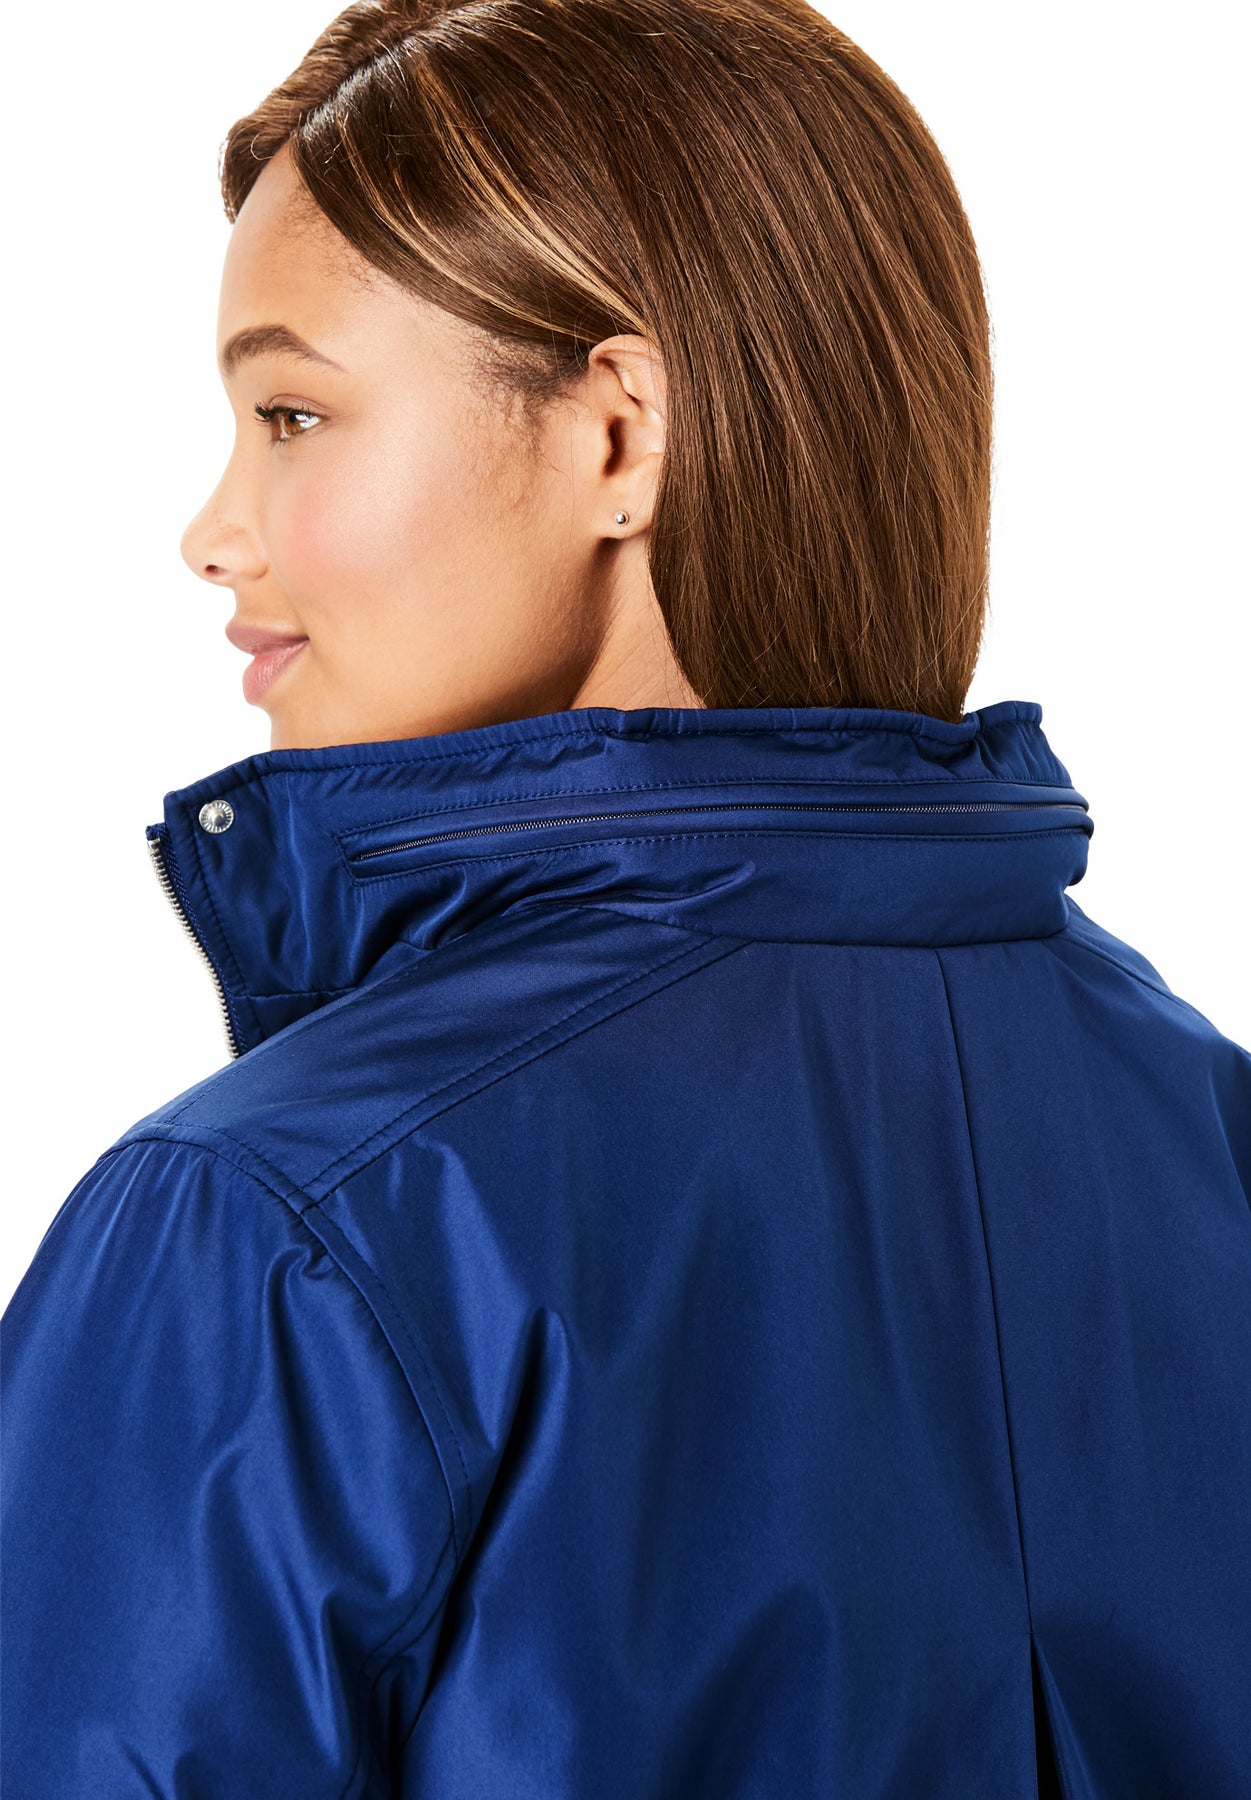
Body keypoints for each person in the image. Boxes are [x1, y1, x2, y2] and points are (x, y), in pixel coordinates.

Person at [2, 1, 1248, 1794]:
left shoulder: (273, 1231)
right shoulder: (1210, 1133)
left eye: (292, 413)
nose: (213, 529)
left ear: (618, 437)